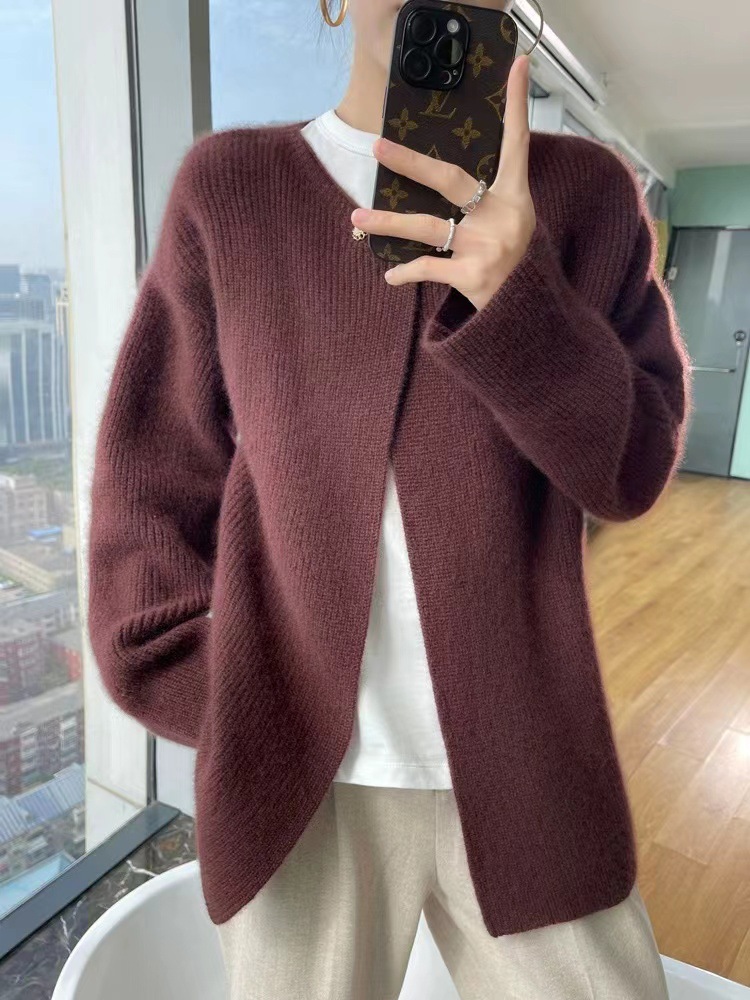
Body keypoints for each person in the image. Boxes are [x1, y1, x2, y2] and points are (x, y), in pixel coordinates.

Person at [87, 0, 693, 996]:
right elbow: (151, 484)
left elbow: (628, 473)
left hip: (530, 765)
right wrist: (233, 699)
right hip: (298, 788)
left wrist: (520, 294)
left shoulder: (585, 194)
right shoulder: (232, 190)